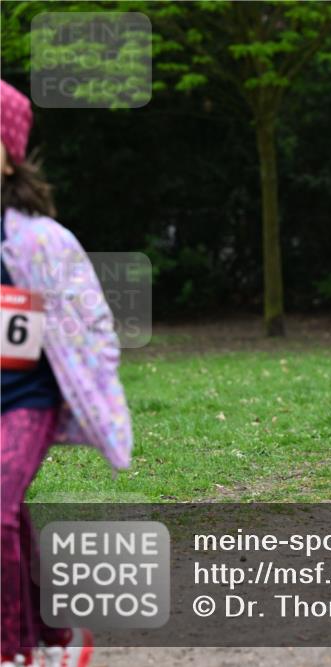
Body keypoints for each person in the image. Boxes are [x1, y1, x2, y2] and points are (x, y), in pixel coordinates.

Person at [1, 79, 132, 666]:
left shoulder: (40, 242)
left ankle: (11, 651)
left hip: (27, 395)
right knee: (9, 516)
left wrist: (90, 385)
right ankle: (52, 640)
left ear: (8, 156)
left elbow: (92, 324)